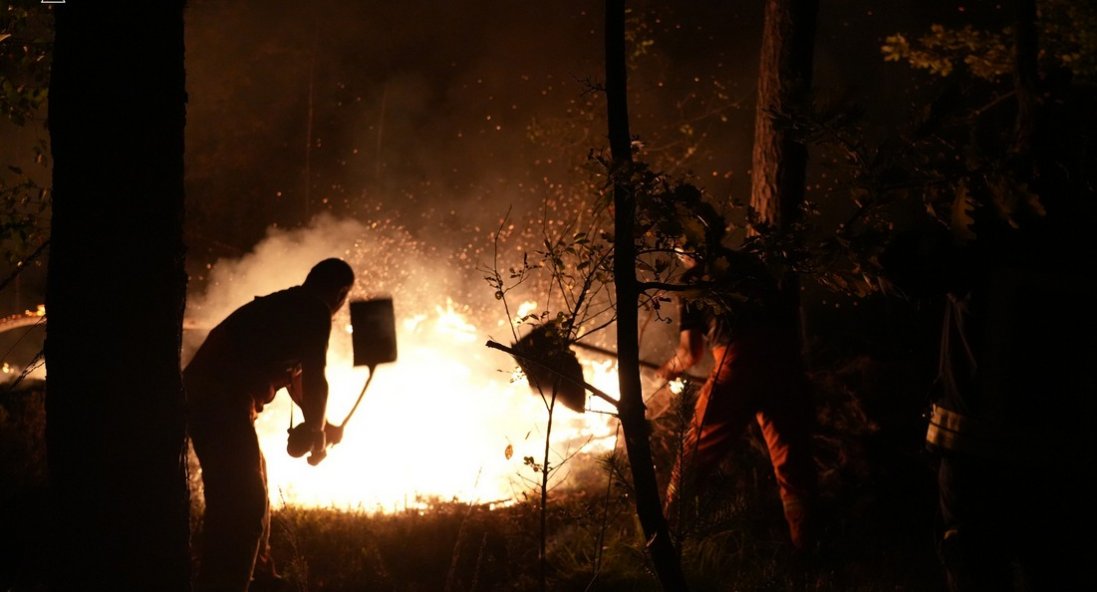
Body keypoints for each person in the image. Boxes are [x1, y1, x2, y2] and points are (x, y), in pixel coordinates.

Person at [184, 258, 355, 592]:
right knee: (243, 501)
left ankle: (260, 579)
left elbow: (300, 383)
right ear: (340, 295)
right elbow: (317, 377)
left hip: (215, 399)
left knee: (254, 486)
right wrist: (318, 436)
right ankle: (227, 584)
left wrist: (322, 424)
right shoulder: (314, 310)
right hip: (220, 401)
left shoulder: (288, 306)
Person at [656, 232, 818, 551]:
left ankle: (664, 538)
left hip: (737, 365)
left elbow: (691, 354)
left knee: (694, 452)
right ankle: (807, 547)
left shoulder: (691, 281)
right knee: (790, 458)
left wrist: (667, 369)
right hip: (783, 363)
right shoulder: (749, 264)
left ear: (685, 254)